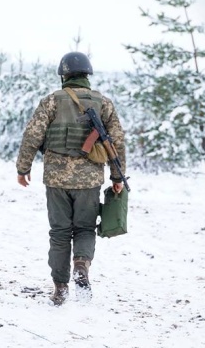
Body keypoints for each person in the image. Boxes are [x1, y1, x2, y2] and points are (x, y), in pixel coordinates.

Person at [16, 52, 127, 306]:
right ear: (87, 75)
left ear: (63, 75)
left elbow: (32, 135)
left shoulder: (51, 101)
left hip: (56, 180)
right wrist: (117, 176)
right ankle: (81, 264)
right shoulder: (103, 103)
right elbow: (117, 142)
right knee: (85, 228)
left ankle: (60, 288)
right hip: (89, 182)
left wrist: (23, 168)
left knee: (59, 233)